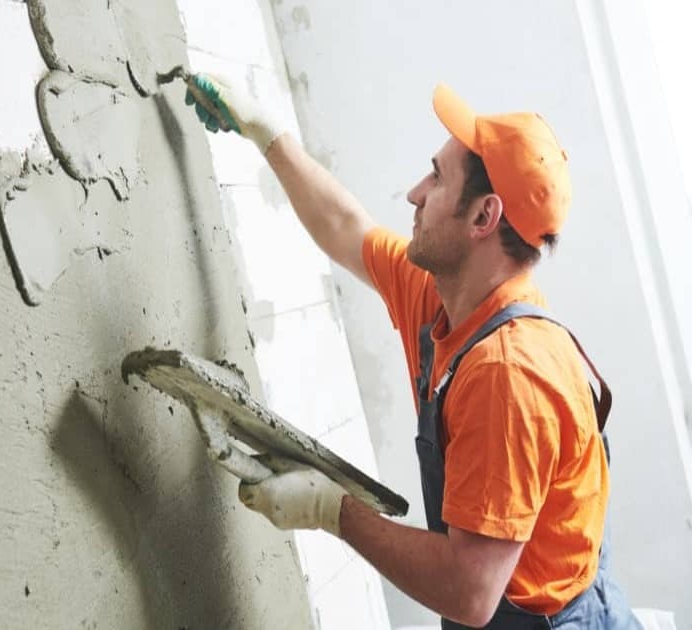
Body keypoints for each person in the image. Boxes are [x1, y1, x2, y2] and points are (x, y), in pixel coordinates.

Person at [184, 75, 641, 628]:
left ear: (482, 218)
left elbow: (472, 592)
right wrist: (264, 129)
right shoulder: (448, 297)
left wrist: (330, 510)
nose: (414, 193)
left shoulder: (509, 375)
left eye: (436, 177)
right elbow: (343, 226)